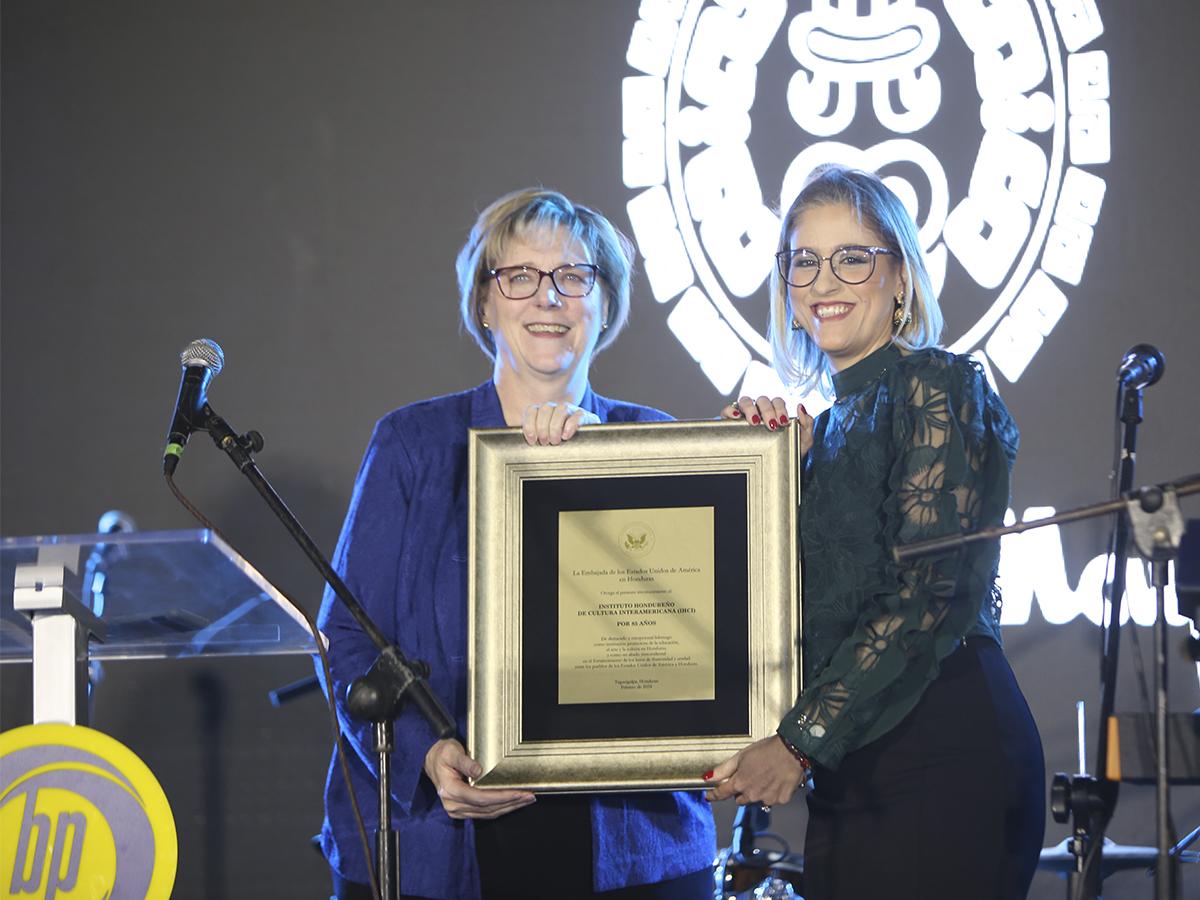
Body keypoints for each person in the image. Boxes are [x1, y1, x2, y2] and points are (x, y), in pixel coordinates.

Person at [316, 188, 716, 900]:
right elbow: (347, 637)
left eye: (574, 276)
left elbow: (704, 638)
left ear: (605, 302)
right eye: (520, 277)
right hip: (443, 836)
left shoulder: (652, 441)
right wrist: (425, 755)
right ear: (485, 303)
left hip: (631, 840)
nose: (549, 298)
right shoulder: (412, 444)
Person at [706, 165, 1045, 899]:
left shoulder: (936, 384)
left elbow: (925, 593)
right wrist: (758, 477)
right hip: (852, 765)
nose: (825, 280)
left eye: (853, 257)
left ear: (902, 281)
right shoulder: (815, 437)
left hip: (942, 746)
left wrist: (795, 745)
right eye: (804, 260)